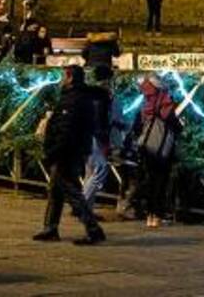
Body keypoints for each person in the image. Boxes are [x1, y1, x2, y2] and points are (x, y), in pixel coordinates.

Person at [34, 65, 107, 245]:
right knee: (56, 190)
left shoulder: (74, 99)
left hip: (66, 151)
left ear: (70, 77)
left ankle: (93, 229)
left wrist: (53, 151)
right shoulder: (77, 96)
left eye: (63, 76)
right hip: (71, 150)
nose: (60, 80)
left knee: (72, 192)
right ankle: (50, 227)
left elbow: (65, 130)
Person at [130, 76, 181, 228]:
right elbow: (174, 124)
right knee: (161, 181)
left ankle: (150, 216)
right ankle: (158, 215)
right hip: (161, 149)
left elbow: (137, 127)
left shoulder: (146, 104)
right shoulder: (164, 103)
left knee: (151, 181)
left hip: (146, 147)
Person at [79, 63, 122, 211]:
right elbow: (101, 119)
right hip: (96, 136)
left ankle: (87, 208)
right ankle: (82, 204)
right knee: (101, 169)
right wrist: (104, 137)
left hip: (87, 134)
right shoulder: (103, 95)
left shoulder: (90, 92)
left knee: (90, 171)